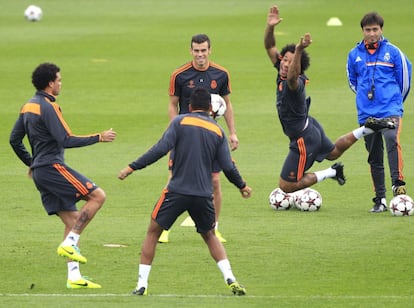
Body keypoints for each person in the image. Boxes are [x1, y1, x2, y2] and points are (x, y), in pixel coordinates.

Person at [118, 87, 252, 296]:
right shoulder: (218, 131)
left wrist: (131, 167)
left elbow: (159, 149)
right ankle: (231, 278)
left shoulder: (179, 121)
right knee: (209, 235)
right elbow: (228, 166)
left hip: (176, 191)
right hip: (203, 195)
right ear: (210, 108)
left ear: (189, 106)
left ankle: (141, 285)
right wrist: (242, 185)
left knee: (153, 233)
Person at [264, 5, 395, 194]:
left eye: (291, 62)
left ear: (299, 66)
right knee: (333, 152)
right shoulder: (283, 70)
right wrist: (270, 27)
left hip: (303, 138)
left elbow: (292, 77)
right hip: (310, 127)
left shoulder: (296, 84)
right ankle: (368, 127)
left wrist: (299, 49)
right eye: (284, 59)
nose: (285, 64)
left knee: (286, 185)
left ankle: (329, 172)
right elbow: (269, 46)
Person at [9, 63, 117, 289]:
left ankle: (74, 276)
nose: (60, 83)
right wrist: (99, 136)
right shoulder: (49, 107)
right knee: (98, 196)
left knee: (72, 220)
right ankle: (70, 243)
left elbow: (14, 140)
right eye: (59, 80)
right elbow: (66, 139)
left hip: (41, 171)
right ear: (50, 83)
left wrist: (32, 163)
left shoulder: (27, 106)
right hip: (52, 167)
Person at [159, 33, 238, 243]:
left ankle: (214, 228)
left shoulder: (221, 74)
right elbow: (172, 104)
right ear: (191, 51)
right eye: (196, 50)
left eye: (204, 50)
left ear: (210, 50)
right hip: (184, 136)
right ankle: (163, 228)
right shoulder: (179, 75)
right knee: (174, 180)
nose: (200, 54)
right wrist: (173, 132)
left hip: (210, 137)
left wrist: (232, 133)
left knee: (214, 181)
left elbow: (227, 104)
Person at [346, 12, 412, 212]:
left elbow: (405, 81)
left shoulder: (393, 52)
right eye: (368, 30)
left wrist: (394, 102)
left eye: (375, 29)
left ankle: (398, 185)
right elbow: (352, 81)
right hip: (367, 113)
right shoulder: (354, 54)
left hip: (390, 109)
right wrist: (365, 99)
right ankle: (380, 199)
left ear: (381, 30)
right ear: (363, 31)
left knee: (392, 140)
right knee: (373, 155)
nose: (372, 33)